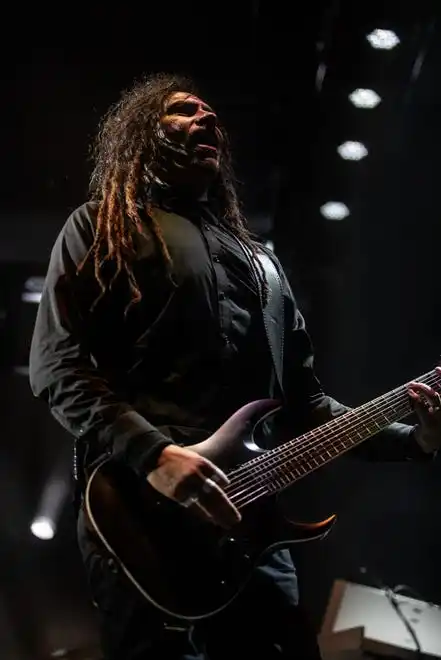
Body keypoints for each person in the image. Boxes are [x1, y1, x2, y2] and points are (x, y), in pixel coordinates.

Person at [29, 72, 441, 660]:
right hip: (143, 521)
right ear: (142, 135)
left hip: (253, 537)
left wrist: (416, 438)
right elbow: (57, 365)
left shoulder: (264, 264)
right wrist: (157, 456)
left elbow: (309, 407)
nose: (206, 118)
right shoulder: (102, 227)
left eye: (211, 113)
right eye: (183, 110)